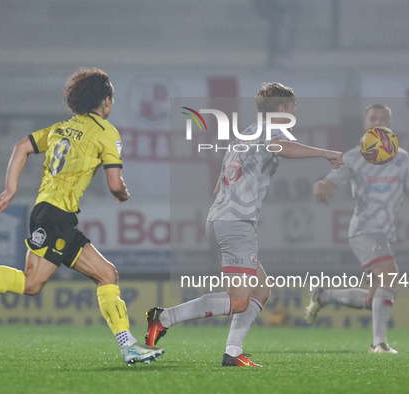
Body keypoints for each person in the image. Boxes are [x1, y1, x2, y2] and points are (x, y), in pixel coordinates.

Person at [0, 68, 164, 365]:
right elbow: (115, 183)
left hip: (49, 213)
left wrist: (10, 189)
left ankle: (128, 345)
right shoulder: (106, 132)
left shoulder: (61, 127)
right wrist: (123, 193)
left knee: (106, 274)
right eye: (110, 97)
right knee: (32, 283)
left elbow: (21, 147)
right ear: (105, 100)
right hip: (56, 216)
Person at [145, 83, 344, 366]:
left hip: (218, 219)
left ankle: (233, 352)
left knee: (261, 290)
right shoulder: (271, 132)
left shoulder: (246, 133)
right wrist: (325, 153)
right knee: (238, 300)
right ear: (281, 110)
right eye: (293, 107)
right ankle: (164, 318)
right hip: (236, 224)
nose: (295, 112)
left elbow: (218, 185)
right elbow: (280, 147)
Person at [305, 103, 409, 354]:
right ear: (365, 125)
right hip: (364, 230)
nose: (378, 122)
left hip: (384, 234)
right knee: (391, 273)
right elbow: (330, 182)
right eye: (373, 118)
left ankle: (324, 296)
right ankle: (379, 344)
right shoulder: (353, 156)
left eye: (383, 119)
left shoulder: (402, 158)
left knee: (373, 299)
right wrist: (321, 186)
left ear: (390, 125)